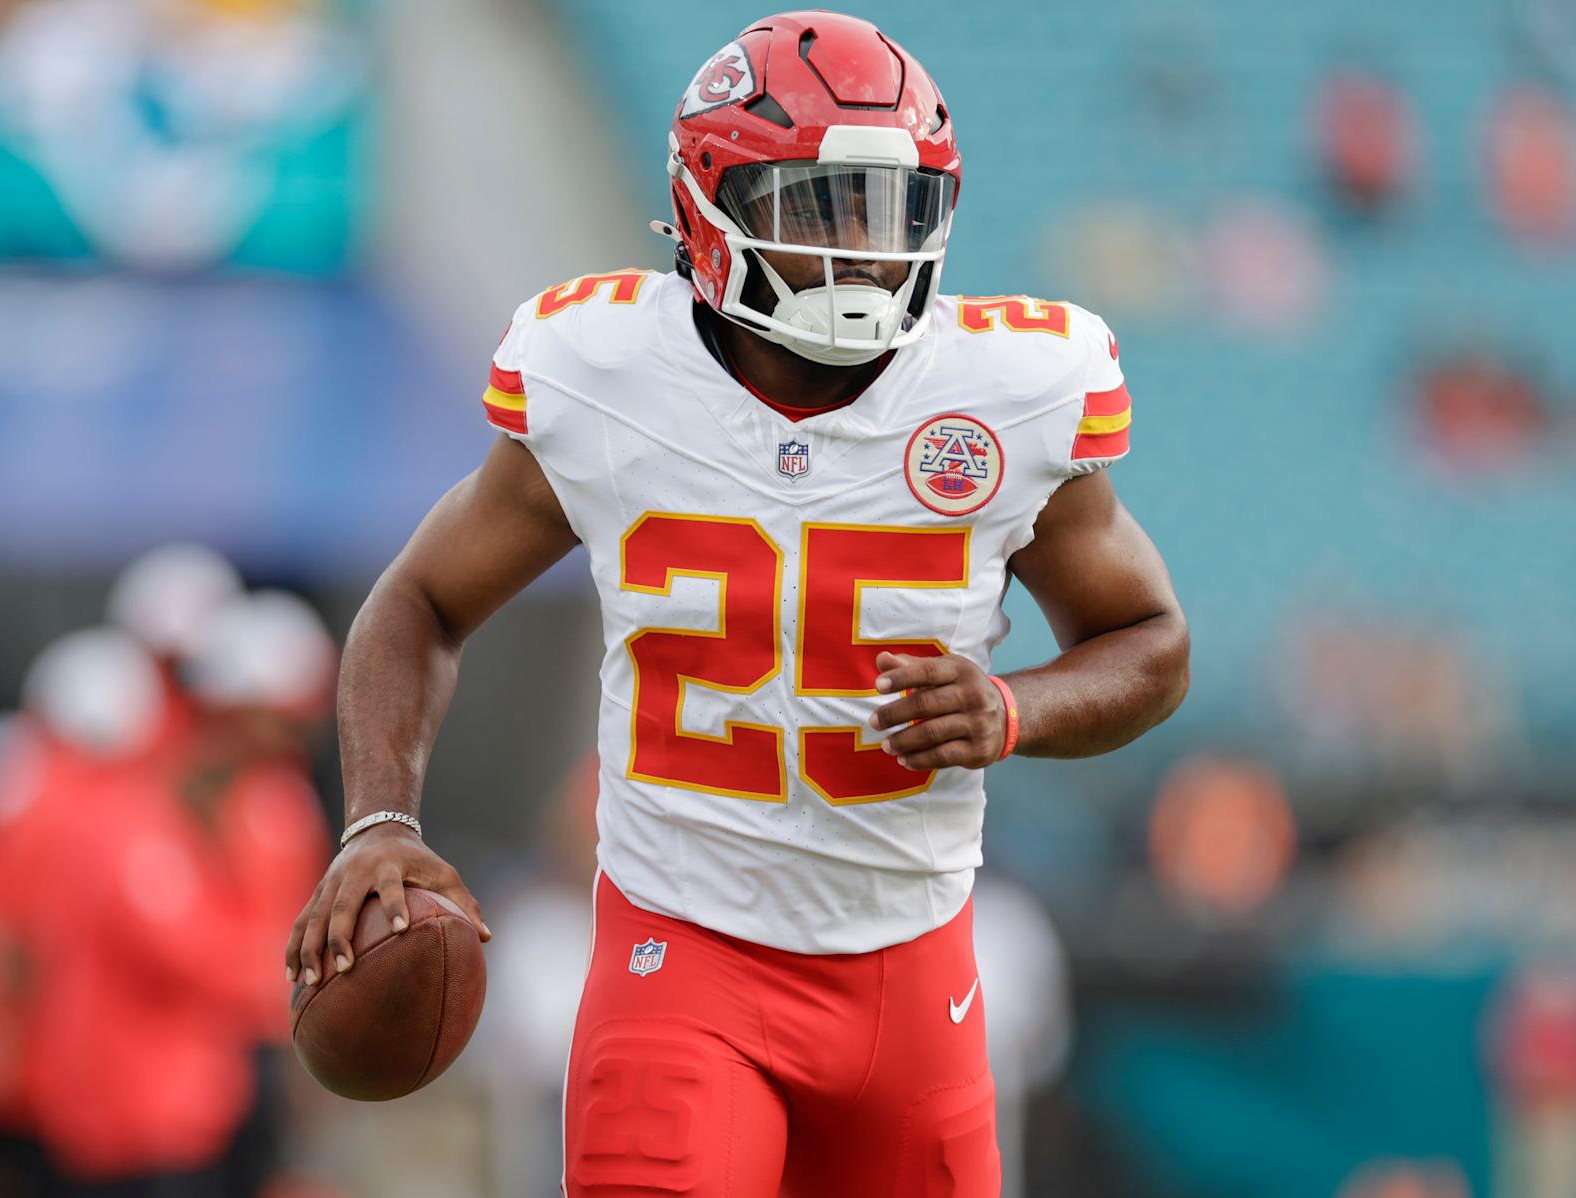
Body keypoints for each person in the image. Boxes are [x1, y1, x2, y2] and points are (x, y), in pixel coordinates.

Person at [286, 12, 1190, 1196]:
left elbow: (1152, 643)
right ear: (712, 207)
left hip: (914, 970)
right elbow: (419, 600)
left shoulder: (1007, 393)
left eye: (889, 209)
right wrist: (379, 819)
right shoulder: (606, 372)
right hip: (684, 952)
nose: (864, 251)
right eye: (820, 207)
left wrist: (1014, 710)